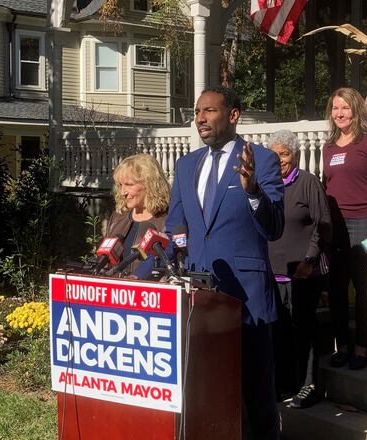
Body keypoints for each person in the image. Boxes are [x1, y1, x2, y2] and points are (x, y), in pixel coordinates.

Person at [166, 86, 284, 440]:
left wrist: (252, 192)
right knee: (206, 388)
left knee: (256, 390)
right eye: (197, 112)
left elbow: (275, 227)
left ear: (233, 115)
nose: (199, 118)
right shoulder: (186, 166)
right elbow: (176, 224)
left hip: (247, 299)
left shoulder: (261, 159)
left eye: (209, 111)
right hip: (198, 300)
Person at [322, 87, 367, 370]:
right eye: (335, 108)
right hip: (335, 226)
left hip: (363, 225)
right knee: (336, 289)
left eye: (345, 108)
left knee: (362, 288)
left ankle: (361, 347)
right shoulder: (329, 146)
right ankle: (343, 346)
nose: (340, 114)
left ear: (356, 110)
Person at [267, 129, 332, 409]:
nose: (280, 159)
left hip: (304, 271)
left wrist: (310, 259)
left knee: (304, 329)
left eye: (285, 153)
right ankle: (285, 383)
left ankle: (310, 385)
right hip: (273, 271)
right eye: (275, 154)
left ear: (294, 155)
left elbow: (323, 224)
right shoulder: (267, 185)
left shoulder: (308, 183)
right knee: (280, 330)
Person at [104, 153, 170, 279]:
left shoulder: (169, 220)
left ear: (149, 184)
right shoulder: (118, 217)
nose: (123, 192)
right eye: (120, 185)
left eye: (129, 184)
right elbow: (106, 263)